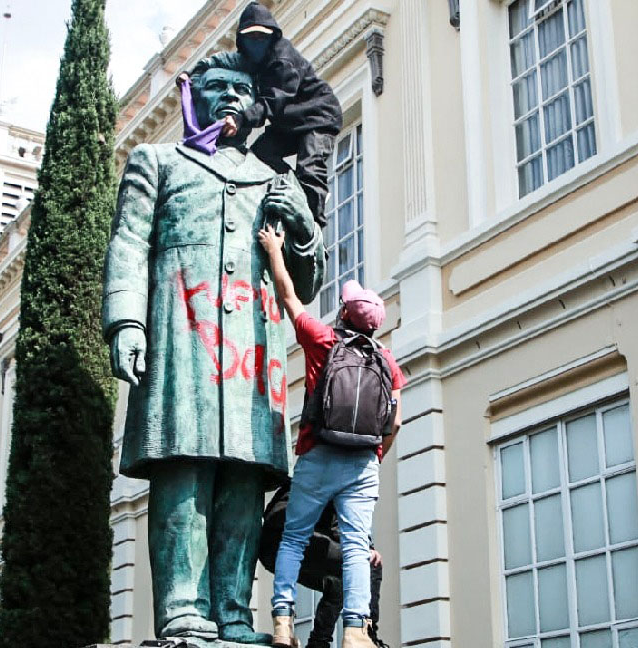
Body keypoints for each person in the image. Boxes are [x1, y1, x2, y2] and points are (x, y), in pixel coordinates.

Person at [103, 59, 325, 644]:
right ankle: (182, 609)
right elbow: (129, 244)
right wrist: (127, 320)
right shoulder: (158, 163)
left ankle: (233, 611)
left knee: (243, 479)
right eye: (217, 88)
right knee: (185, 468)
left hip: (254, 350)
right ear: (192, 98)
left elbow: (307, 278)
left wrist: (301, 219)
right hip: (183, 335)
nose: (230, 98)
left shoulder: (273, 180)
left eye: (242, 90)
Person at [256, 224, 406, 648]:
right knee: (358, 548)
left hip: (318, 454)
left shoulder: (323, 341)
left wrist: (274, 251)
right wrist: (375, 456)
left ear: (343, 314)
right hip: (362, 463)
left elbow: (289, 297)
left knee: (294, 536)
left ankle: (284, 624)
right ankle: (356, 633)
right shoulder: (388, 363)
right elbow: (394, 422)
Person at [179, 1, 343, 228]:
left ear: (272, 37)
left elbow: (274, 101)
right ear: (242, 41)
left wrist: (240, 119)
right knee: (258, 156)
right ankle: (293, 185)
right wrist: (190, 74)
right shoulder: (249, 60)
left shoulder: (282, 61)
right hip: (290, 123)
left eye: (261, 38)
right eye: (251, 38)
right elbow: (221, 61)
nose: (256, 43)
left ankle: (313, 221)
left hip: (318, 117)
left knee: (310, 167)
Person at [259, 483, 388, 648]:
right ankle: (366, 636)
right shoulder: (344, 473)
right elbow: (341, 520)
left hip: (273, 545)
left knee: (341, 579)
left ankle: (291, 630)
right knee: (367, 566)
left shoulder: (310, 469)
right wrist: (366, 549)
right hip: (292, 539)